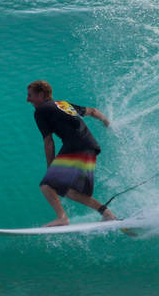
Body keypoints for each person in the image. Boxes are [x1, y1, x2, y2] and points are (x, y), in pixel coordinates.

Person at [26, 80, 117, 226]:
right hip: (90, 146)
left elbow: (48, 141)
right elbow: (93, 111)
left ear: (41, 95)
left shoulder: (40, 111)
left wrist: (50, 168)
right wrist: (106, 122)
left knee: (47, 185)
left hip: (76, 147)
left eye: (30, 95)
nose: (28, 100)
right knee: (70, 191)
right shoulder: (63, 104)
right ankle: (107, 214)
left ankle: (62, 218)